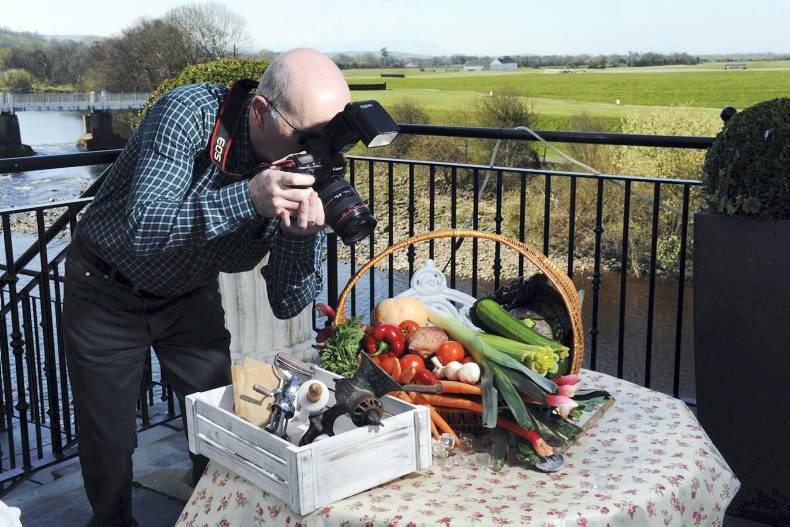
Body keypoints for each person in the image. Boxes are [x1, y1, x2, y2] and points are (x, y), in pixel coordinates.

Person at [63, 48, 351, 526]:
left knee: (219, 427)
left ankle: (215, 515)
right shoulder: (189, 115)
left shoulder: (306, 164)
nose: (318, 151)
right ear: (260, 111)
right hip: (106, 290)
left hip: (188, 296)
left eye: (333, 139)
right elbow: (146, 228)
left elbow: (287, 303)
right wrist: (249, 197)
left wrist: (301, 241)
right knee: (109, 443)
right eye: (309, 136)